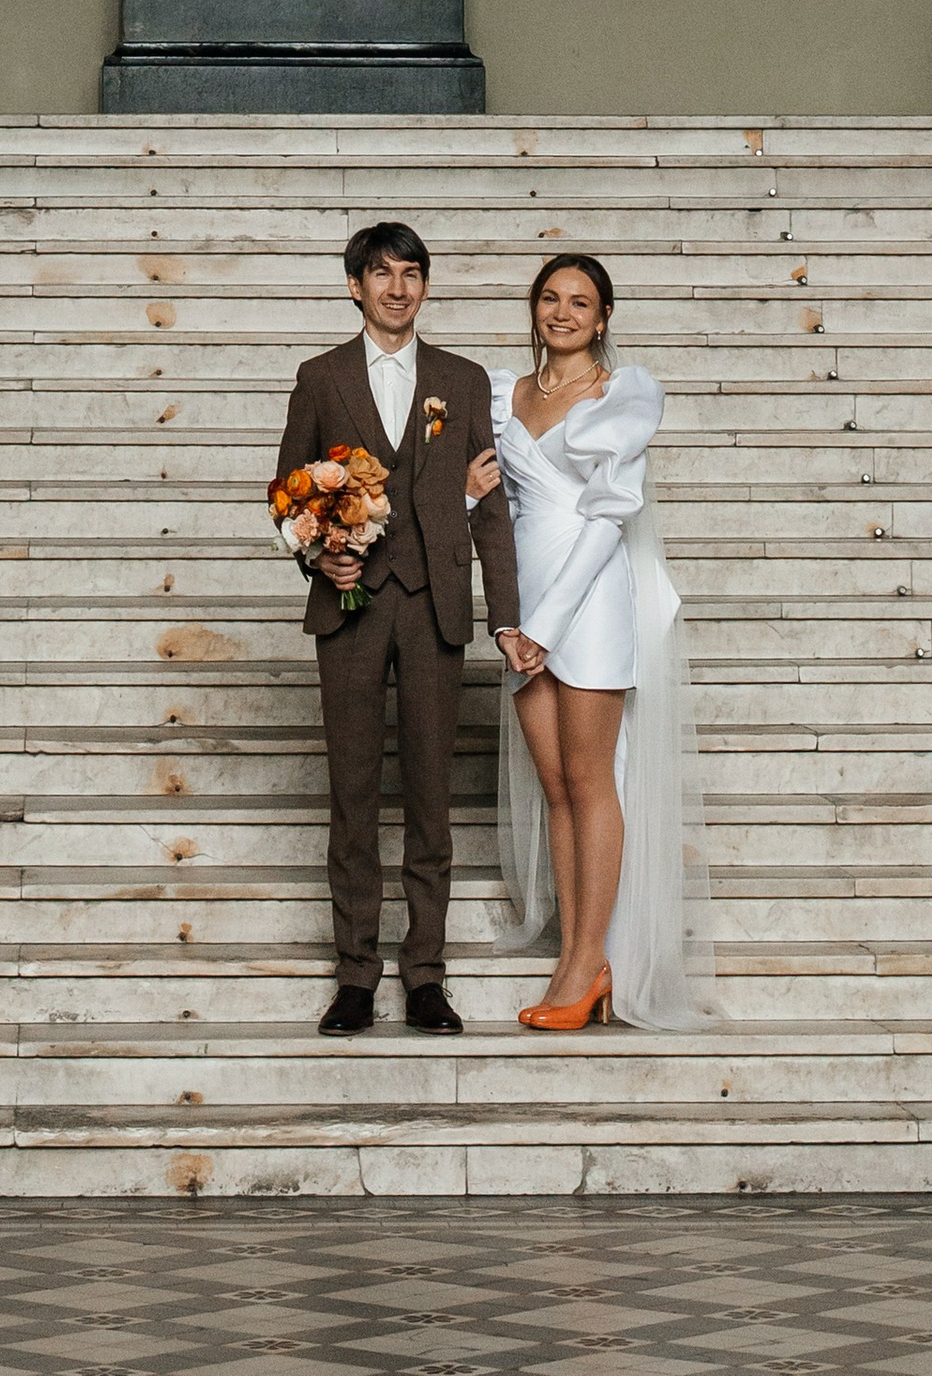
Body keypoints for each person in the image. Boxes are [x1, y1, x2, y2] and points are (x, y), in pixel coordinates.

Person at [274, 219, 523, 1034]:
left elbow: (489, 508)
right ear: (356, 286)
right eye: (381, 274)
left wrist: (509, 615)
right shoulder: (320, 377)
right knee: (351, 794)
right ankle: (354, 973)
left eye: (412, 273)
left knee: (428, 797)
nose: (398, 287)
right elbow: (286, 491)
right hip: (350, 609)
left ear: (424, 284)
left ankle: (424, 974)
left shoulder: (462, 378)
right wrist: (323, 556)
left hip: (431, 605)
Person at [473, 254, 718, 1030]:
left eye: (581, 301)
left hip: (590, 599)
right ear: (534, 308)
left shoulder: (624, 393)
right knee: (555, 790)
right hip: (524, 608)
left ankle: (586, 964)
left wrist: (547, 626)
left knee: (590, 781)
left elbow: (608, 516)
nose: (563, 312)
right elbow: (491, 507)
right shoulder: (501, 397)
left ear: (603, 317)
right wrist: (510, 620)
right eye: (550, 298)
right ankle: (581, 956)